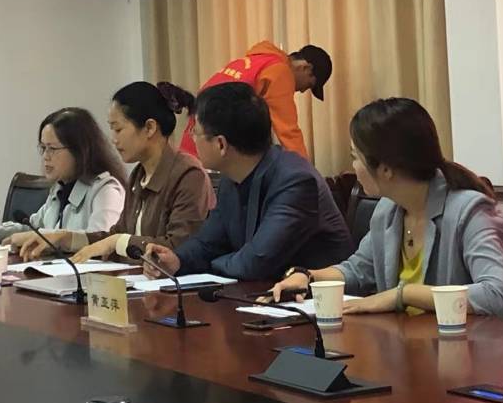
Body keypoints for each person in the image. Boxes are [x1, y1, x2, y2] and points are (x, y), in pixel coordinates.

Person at [268, 98, 503, 321]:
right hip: (418, 347)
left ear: (385, 169)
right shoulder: (388, 211)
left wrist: (403, 294)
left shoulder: (471, 212)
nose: (353, 167)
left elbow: (499, 297)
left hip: (489, 354)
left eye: (355, 157)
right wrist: (308, 277)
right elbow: (360, 270)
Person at [144, 82, 353, 281]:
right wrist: (177, 260)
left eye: (195, 131)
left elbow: (255, 263)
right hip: (263, 294)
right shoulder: (231, 178)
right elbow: (208, 243)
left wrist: (209, 264)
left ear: (221, 144)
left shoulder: (295, 181)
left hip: (320, 300)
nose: (192, 138)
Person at [18, 82, 214, 262]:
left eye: (118, 129)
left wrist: (117, 241)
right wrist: (66, 238)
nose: (113, 139)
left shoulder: (188, 175)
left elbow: (178, 247)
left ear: (149, 128)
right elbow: (114, 236)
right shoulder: (138, 175)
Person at [0, 107, 126, 250]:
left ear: (79, 150)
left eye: (52, 148)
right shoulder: (60, 188)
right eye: (43, 148)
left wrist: (56, 239)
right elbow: (32, 228)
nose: (45, 157)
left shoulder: (105, 190)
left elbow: (100, 243)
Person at [178, 41, 332, 160]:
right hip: (211, 154)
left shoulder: (257, 61)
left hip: (191, 146)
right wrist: (308, 175)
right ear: (305, 68)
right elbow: (288, 132)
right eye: (309, 85)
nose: (303, 91)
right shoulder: (280, 72)